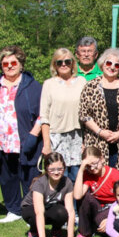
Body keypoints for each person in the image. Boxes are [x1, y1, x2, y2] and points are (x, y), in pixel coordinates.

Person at [0, 45, 42, 224]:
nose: (9, 66)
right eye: (5, 63)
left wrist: (34, 135)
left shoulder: (32, 86)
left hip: (26, 139)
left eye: (13, 62)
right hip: (2, 141)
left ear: (21, 64)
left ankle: (29, 210)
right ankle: (13, 209)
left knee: (28, 176)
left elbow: (43, 113)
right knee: (7, 177)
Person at [78, 47, 119, 175]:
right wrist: (100, 132)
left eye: (117, 65)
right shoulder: (90, 86)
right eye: (109, 63)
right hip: (96, 141)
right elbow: (84, 114)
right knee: (97, 179)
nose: (112, 67)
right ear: (102, 64)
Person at [39, 48, 87, 182]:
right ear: (55, 65)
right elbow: (44, 117)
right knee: (59, 177)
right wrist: (47, 144)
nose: (64, 64)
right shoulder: (49, 84)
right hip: (57, 137)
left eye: (67, 61)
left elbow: (87, 113)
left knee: (77, 177)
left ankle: (75, 204)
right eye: (59, 62)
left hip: (77, 136)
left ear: (72, 63)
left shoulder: (82, 81)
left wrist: (85, 141)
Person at [22, 152, 78, 237]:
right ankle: (34, 232)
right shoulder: (40, 184)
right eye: (52, 169)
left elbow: (70, 211)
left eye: (60, 169)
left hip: (49, 207)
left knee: (62, 212)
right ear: (46, 170)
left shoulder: (67, 182)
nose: (56, 173)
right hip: (32, 209)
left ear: (64, 168)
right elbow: (39, 212)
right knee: (35, 215)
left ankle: (56, 230)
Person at [73, 146, 119, 237]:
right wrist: (81, 170)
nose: (92, 168)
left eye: (94, 163)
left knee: (100, 220)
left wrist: (110, 217)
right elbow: (77, 195)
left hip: (114, 206)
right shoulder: (87, 175)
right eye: (88, 166)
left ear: (102, 159)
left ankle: (104, 230)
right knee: (85, 198)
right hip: (98, 206)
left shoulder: (115, 175)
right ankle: (85, 232)